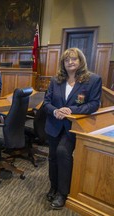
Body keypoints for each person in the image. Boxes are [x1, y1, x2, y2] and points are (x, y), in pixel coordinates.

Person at [43, 47, 102, 210]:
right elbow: (46, 102)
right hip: (54, 124)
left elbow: (95, 104)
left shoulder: (93, 80)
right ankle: (53, 186)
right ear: (63, 63)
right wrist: (55, 110)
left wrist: (71, 110)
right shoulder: (56, 80)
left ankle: (63, 192)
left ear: (81, 61)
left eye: (74, 59)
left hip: (74, 127)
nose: (70, 62)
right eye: (67, 60)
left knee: (63, 153)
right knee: (53, 156)